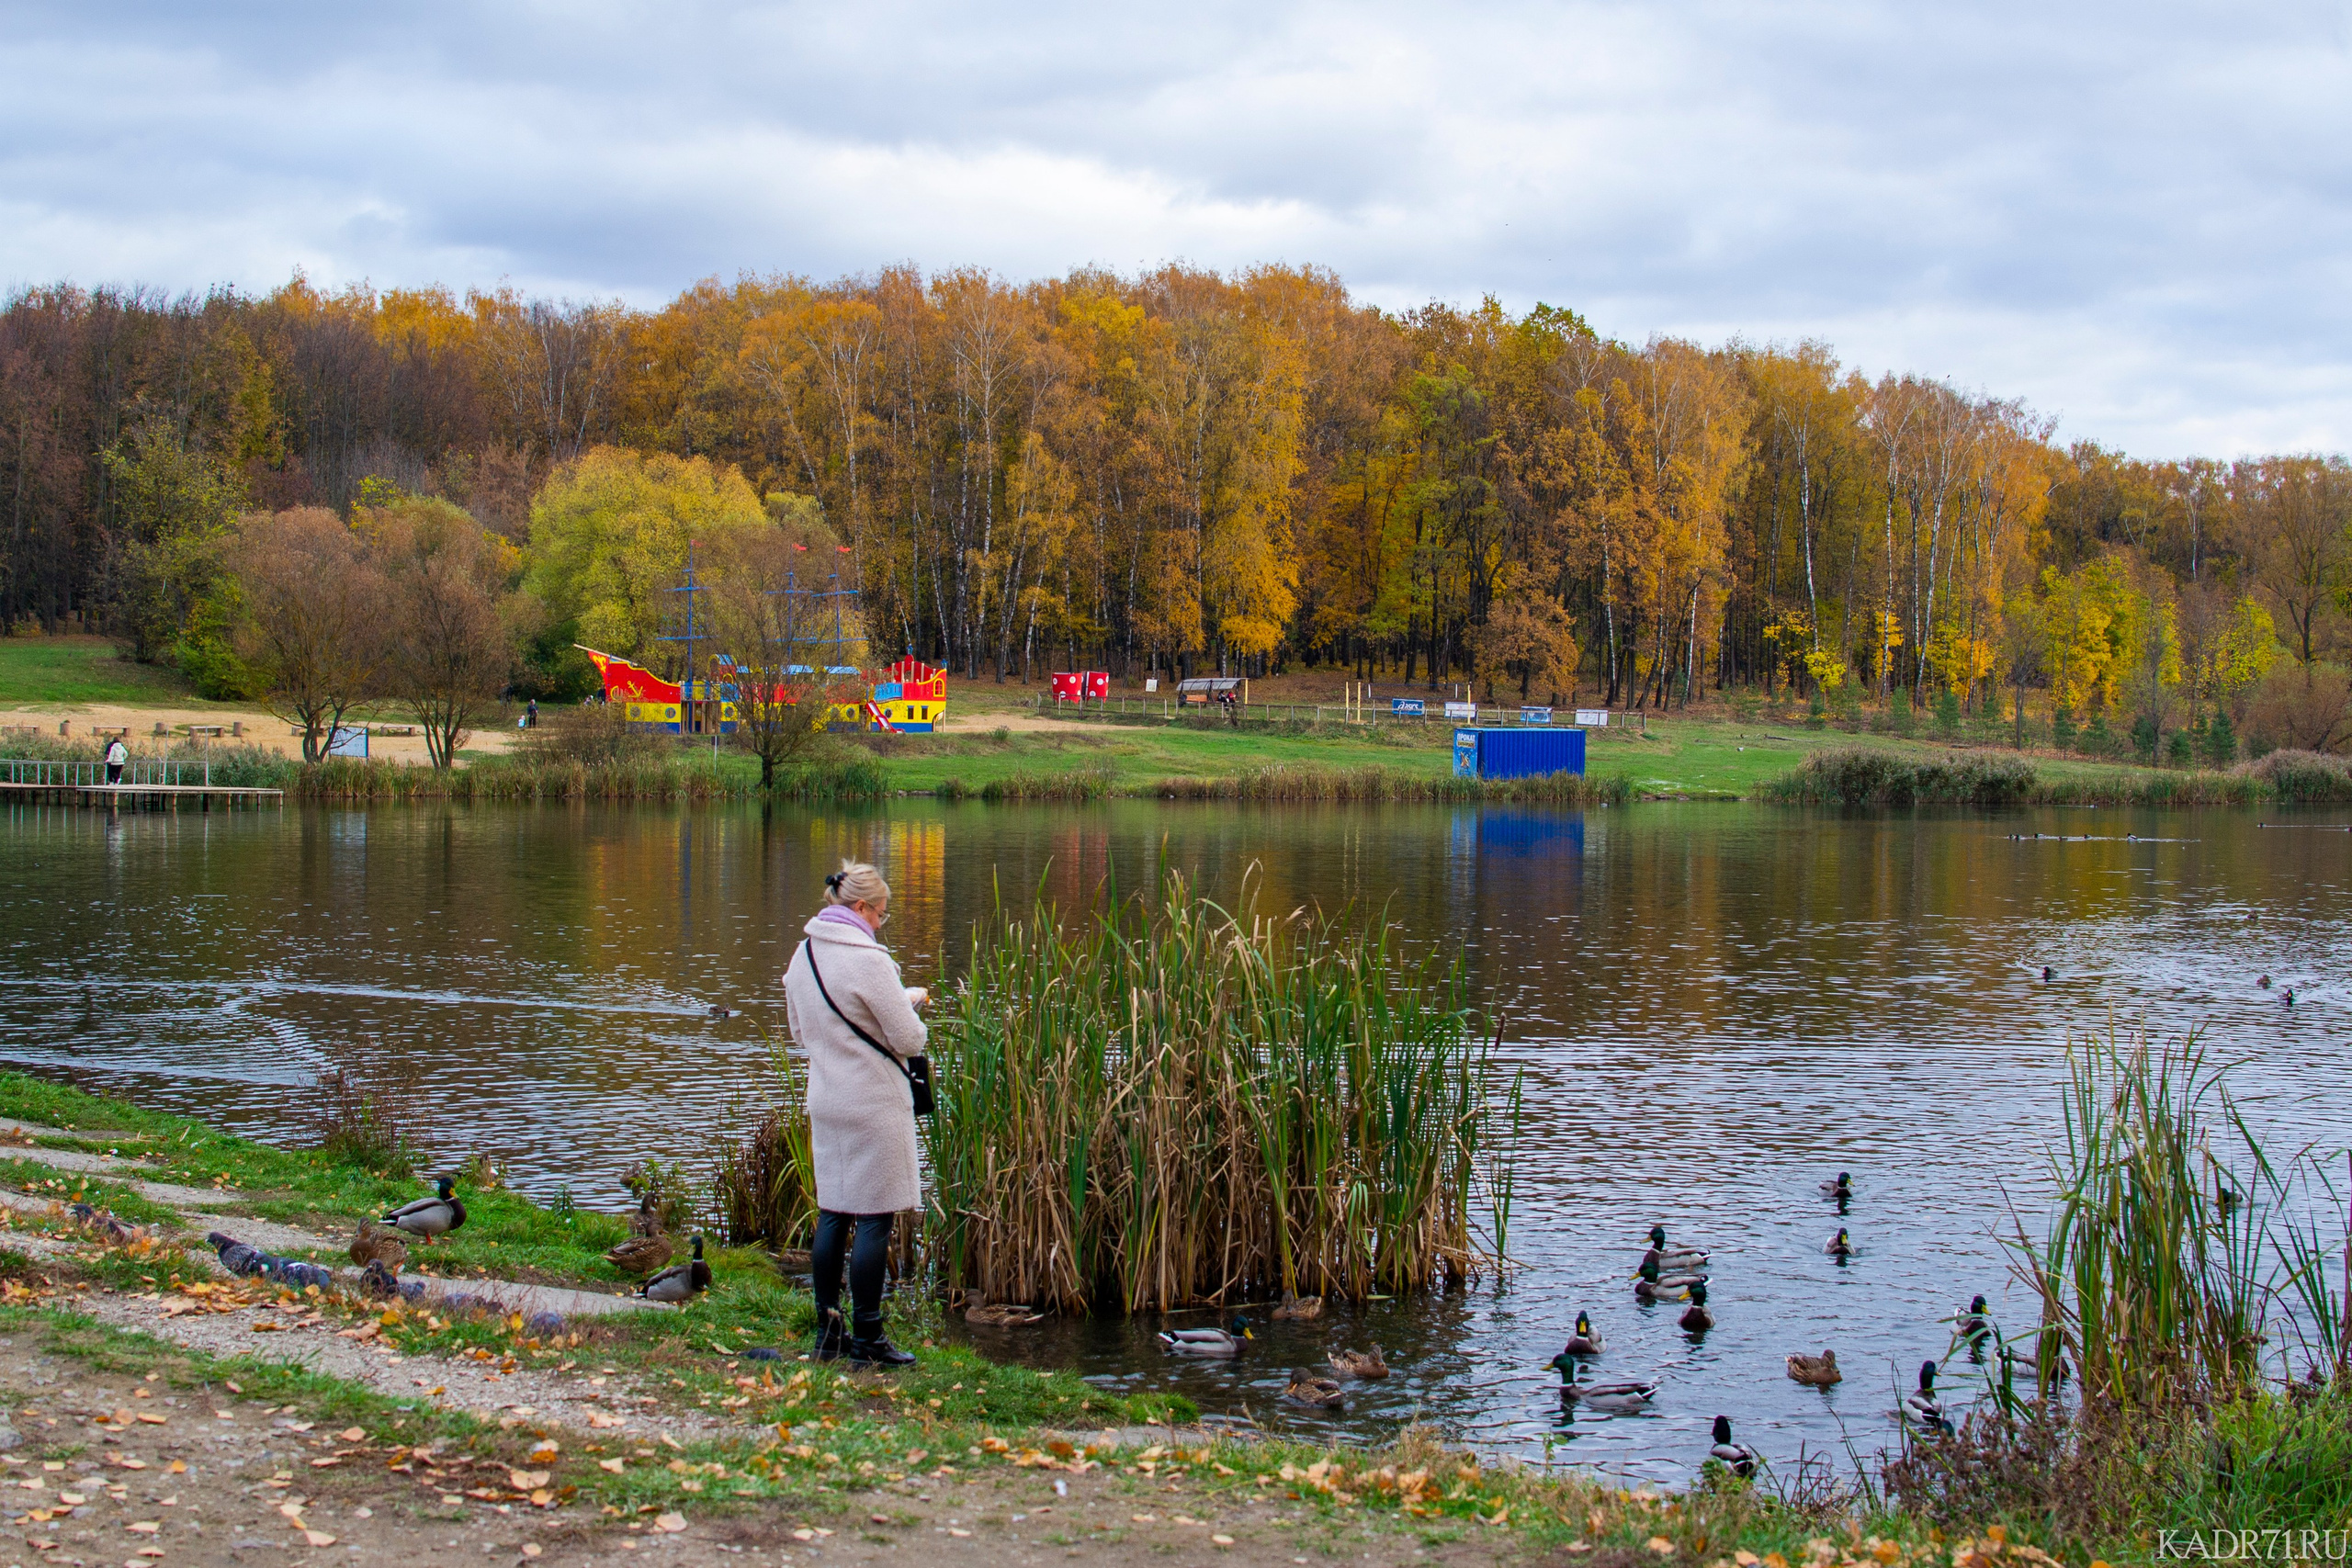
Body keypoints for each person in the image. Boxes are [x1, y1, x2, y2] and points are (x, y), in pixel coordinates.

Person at [781, 860, 929, 1366]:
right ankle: (868, 1336)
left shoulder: (803, 957)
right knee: (875, 1217)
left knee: (833, 1213)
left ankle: (828, 1331)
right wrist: (910, 1002)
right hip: (874, 1102)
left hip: (827, 1099)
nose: (882, 922)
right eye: (882, 913)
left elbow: (802, 1033)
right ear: (862, 908)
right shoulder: (869, 960)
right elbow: (909, 1038)